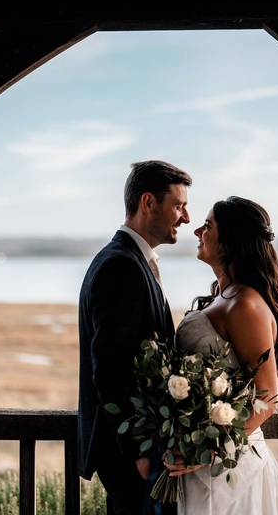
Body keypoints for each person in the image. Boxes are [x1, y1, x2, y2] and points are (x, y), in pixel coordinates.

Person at [165, 196, 278, 514]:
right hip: (204, 464)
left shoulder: (245, 305)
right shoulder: (224, 296)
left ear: (230, 242)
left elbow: (267, 397)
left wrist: (206, 451)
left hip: (230, 470)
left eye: (208, 226)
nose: (197, 230)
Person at [78, 160, 192, 515]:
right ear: (148, 202)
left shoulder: (131, 260)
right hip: (130, 457)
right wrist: (140, 450)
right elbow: (109, 369)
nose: (186, 218)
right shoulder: (121, 266)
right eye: (179, 205)